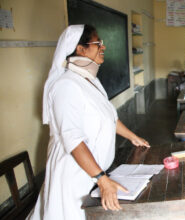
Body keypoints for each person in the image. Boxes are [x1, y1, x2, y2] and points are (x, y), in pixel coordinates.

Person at [28, 25, 150, 220]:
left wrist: (132, 137)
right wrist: (102, 179)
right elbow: (73, 139)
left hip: (92, 172)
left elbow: (109, 117)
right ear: (80, 49)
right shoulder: (66, 86)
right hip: (73, 174)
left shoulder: (90, 80)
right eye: (97, 43)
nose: (104, 47)